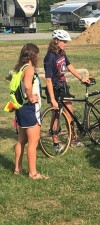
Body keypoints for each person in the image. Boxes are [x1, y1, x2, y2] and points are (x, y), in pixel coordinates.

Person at [44, 30, 89, 150]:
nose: (66, 44)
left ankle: (73, 139)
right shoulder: (49, 57)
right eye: (64, 41)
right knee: (56, 115)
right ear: (56, 41)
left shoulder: (61, 53)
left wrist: (81, 78)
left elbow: (69, 66)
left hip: (63, 86)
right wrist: (52, 99)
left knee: (70, 114)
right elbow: (48, 80)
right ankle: (55, 142)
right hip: (54, 88)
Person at [13, 43, 49, 179]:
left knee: (21, 140)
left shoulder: (19, 68)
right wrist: (31, 96)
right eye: (38, 54)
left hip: (20, 108)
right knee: (33, 142)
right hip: (29, 108)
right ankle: (33, 173)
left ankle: (17, 168)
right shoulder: (29, 69)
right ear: (33, 55)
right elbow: (28, 85)